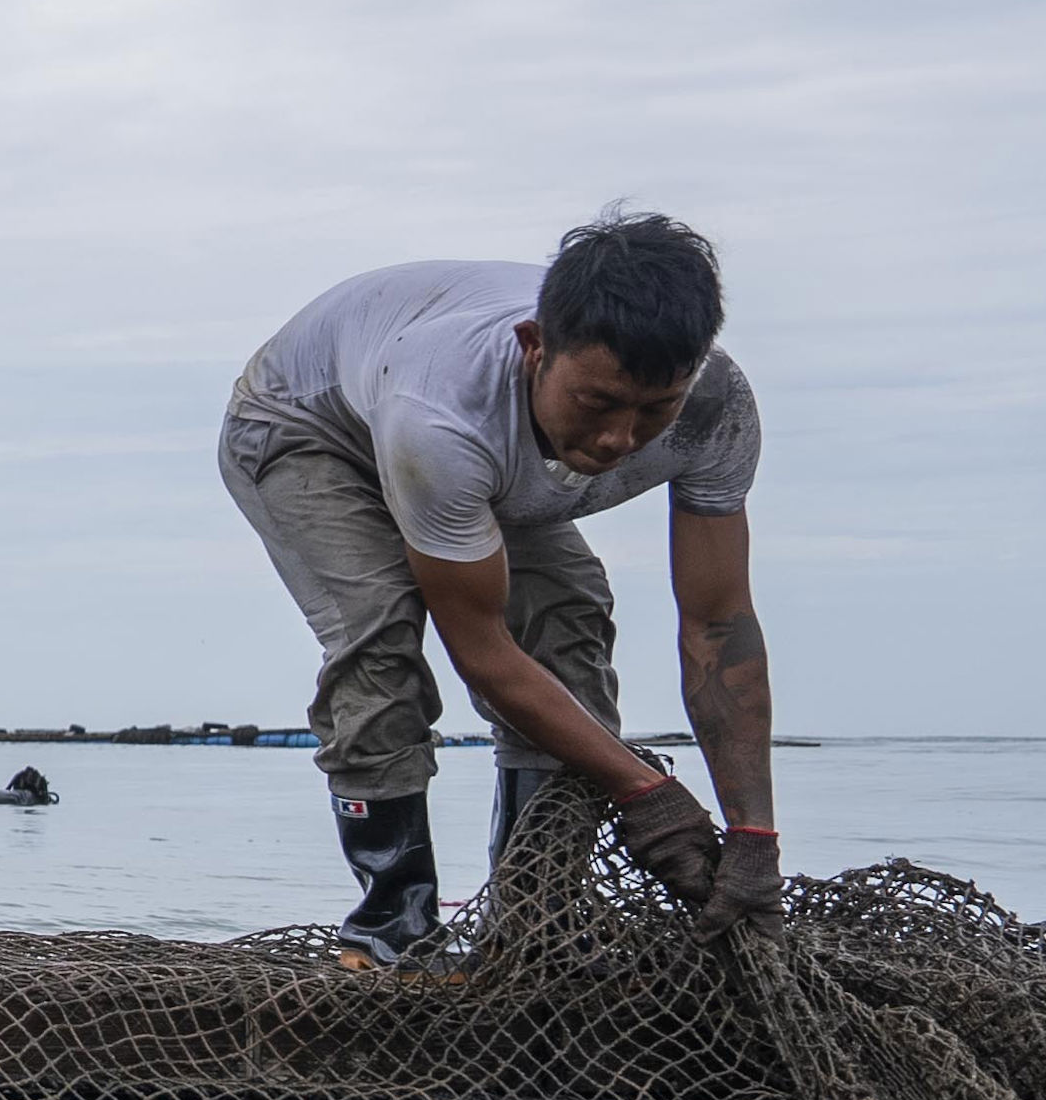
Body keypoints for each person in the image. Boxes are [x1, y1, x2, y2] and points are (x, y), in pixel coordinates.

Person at [216, 208, 780, 967]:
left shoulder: (714, 408)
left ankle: (532, 923)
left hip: (489, 457)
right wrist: (645, 793)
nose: (619, 441)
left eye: (654, 411)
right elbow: (481, 650)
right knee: (377, 639)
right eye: (598, 403)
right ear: (533, 348)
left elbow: (717, 625)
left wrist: (752, 838)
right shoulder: (443, 415)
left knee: (569, 621)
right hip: (306, 427)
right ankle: (389, 928)